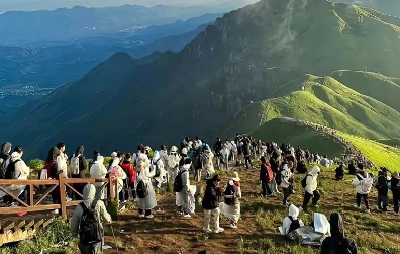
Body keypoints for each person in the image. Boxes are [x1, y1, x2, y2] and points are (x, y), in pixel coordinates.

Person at [71, 184, 112, 254]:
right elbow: (106, 218)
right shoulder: (99, 203)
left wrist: (74, 233)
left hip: (84, 236)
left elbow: (74, 221)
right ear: (94, 192)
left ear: (84, 192)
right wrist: (109, 219)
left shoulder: (79, 206)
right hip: (97, 235)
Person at [135, 152, 157, 218]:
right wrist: (154, 171)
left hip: (139, 185)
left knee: (141, 199)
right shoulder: (144, 168)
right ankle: (148, 214)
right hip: (146, 185)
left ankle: (140, 213)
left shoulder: (138, 166)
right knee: (148, 199)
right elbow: (148, 175)